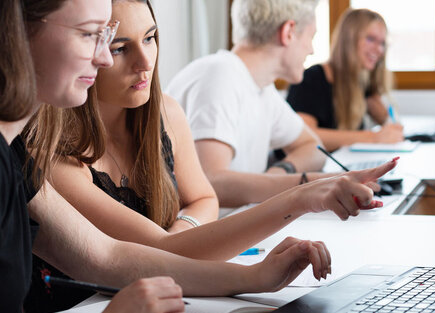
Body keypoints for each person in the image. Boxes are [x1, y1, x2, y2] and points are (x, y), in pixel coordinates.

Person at [1, 0, 332, 311]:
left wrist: (257, 277)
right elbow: (151, 249)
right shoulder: (39, 149)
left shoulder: (13, 155)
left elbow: (108, 257)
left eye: (149, 38)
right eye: (92, 35)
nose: (103, 58)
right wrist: (298, 197)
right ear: (18, 32)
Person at [167, 0, 352, 208]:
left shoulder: (262, 88)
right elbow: (211, 183)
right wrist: (312, 184)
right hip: (207, 234)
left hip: (238, 226)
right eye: (311, 37)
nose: (310, 49)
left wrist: (280, 172)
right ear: (288, 32)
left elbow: (314, 148)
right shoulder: (220, 75)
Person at [287, 8, 404, 152]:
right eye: (371, 39)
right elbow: (305, 137)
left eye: (382, 43)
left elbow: (386, 118)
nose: (379, 50)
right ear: (349, 39)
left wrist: (389, 124)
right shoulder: (312, 79)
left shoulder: (360, 82)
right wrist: (373, 137)